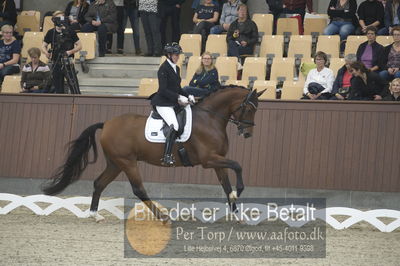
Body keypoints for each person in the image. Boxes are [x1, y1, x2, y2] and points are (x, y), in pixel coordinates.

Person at [150, 43, 195, 166]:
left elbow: (177, 87)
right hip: (163, 103)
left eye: (178, 55)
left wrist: (187, 95)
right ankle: (167, 156)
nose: (177, 57)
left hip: (172, 102)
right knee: (174, 125)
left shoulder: (177, 68)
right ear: (168, 55)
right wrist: (178, 97)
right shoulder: (163, 69)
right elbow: (163, 90)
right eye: (175, 55)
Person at [42, 11, 82, 93]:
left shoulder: (70, 31)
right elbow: (43, 45)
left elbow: (79, 45)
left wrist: (70, 52)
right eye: (58, 19)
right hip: (56, 63)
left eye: (62, 18)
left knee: (74, 88)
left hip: (68, 63)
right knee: (58, 89)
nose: (60, 21)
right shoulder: (51, 32)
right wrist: (46, 53)